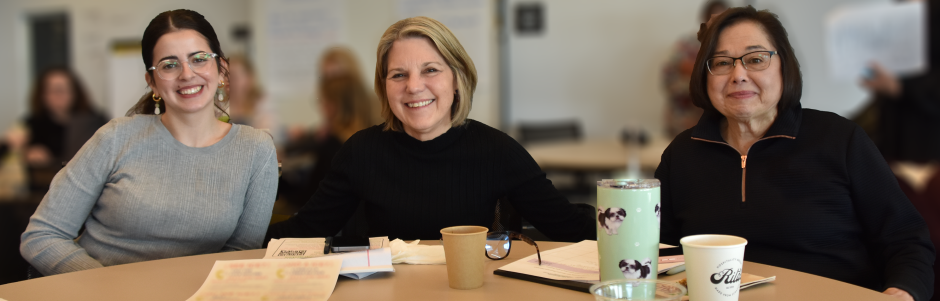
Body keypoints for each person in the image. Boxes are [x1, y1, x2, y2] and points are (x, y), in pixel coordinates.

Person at [655, 6, 934, 301]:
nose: (738, 75)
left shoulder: (841, 140)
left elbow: (906, 240)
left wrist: (903, 292)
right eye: (722, 62)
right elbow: (660, 253)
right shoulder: (682, 154)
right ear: (704, 75)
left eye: (756, 59)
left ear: (783, 67)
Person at [267, 16, 595, 242]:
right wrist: (226, 241)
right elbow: (305, 230)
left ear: (457, 79)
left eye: (430, 70)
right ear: (384, 87)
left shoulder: (497, 150)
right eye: (398, 75)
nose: (414, 87)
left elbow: (567, 225)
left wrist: (635, 215)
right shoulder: (361, 151)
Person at [20, 9, 278, 276]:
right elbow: (42, 235)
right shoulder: (116, 136)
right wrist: (110, 291)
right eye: (169, 65)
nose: (187, 74)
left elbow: (239, 256)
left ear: (222, 69)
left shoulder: (256, 150)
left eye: (199, 59)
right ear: (152, 83)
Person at [1, 67, 108, 194]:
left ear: (75, 92)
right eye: (52, 90)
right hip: (44, 193)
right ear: (42, 95)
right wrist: (24, 152)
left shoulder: (95, 122)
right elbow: (6, 150)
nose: (58, 95)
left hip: (87, 190)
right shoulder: (31, 124)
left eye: (63, 90)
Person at [662, 0, 728, 137]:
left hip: (720, 126)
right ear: (704, 18)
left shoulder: (731, 48)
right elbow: (667, 78)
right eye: (712, 16)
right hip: (684, 121)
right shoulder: (687, 45)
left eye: (722, 17)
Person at [227, 54, 282, 145]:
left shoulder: (263, 103)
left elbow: (267, 138)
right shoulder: (219, 105)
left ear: (248, 78)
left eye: (234, 77)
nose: (229, 82)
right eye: (226, 76)